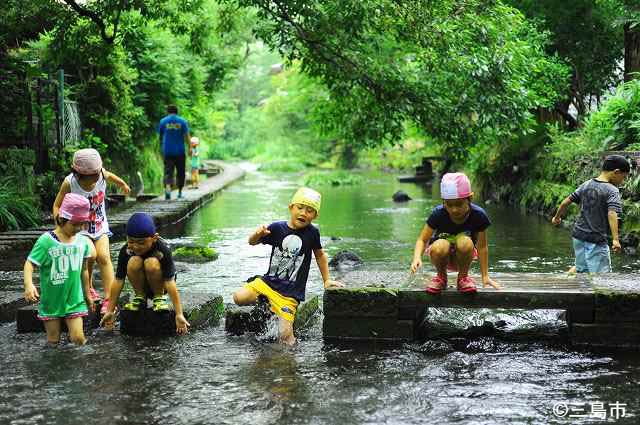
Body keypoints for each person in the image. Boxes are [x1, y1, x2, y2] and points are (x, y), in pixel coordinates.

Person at [232, 187, 344, 345]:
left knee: (285, 337)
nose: (304, 213)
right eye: (300, 208)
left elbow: (320, 255)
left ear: (315, 215)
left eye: (310, 211)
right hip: (268, 284)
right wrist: (257, 234)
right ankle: (266, 302)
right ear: (291, 207)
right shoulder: (277, 228)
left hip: (289, 294)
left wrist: (327, 281)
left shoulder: (312, 233)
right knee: (238, 297)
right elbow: (252, 242)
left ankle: (290, 362)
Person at [53, 148, 130, 315]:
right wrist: (60, 223)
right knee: (90, 255)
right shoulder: (70, 183)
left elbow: (111, 176)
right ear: (79, 175)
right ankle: (88, 289)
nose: (96, 179)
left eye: (97, 175)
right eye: (91, 177)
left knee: (104, 256)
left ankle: (109, 298)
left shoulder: (101, 174)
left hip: (100, 225)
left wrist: (122, 184)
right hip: (79, 228)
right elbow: (57, 204)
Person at [100, 212, 190, 335]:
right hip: (141, 284)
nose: (136, 247)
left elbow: (170, 281)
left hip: (161, 285)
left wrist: (179, 314)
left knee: (151, 262)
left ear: (154, 238)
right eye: (131, 241)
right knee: (133, 261)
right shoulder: (126, 251)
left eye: (141, 242)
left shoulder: (162, 250)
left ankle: (158, 298)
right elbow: (118, 280)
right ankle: (140, 297)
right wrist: (110, 310)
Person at [24, 193, 95, 345]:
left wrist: (87, 292)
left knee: (78, 339)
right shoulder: (46, 241)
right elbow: (30, 263)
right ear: (61, 219)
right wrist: (29, 285)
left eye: (82, 224)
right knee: (53, 341)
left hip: (74, 300)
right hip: (51, 302)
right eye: (75, 224)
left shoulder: (82, 242)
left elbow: (84, 270)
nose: (79, 228)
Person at [410, 172, 500, 293]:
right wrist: (417, 258)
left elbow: (482, 247)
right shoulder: (438, 213)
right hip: (440, 255)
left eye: (459, 204)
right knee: (440, 244)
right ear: (443, 202)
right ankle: (441, 277)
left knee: (465, 241)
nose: (454, 209)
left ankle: (463, 278)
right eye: (449, 204)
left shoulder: (478, 215)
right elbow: (422, 239)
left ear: (470, 199)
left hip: (464, 255)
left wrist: (485, 276)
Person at [552, 154, 630, 273]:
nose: (622, 181)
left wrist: (557, 217)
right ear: (616, 172)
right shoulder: (612, 190)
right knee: (602, 276)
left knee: (581, 269)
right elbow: (612, 213)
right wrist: (615, 239)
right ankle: (600, 291)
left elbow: (565, 202)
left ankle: (564, 281)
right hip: (596, 239)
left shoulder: (587, 184)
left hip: (578, 236)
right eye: (623, 177)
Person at [158, 104, 191, 200]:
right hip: (180, 151)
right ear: (177, 111)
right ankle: (180, 193)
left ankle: (168, 189)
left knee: (168, 171)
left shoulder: (163, 121)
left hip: (167, 151)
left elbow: (160, 136)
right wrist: (190, 148)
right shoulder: (182, 121)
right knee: (181, 172)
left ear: (168, 111)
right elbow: (187, 136)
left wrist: (161, 149)